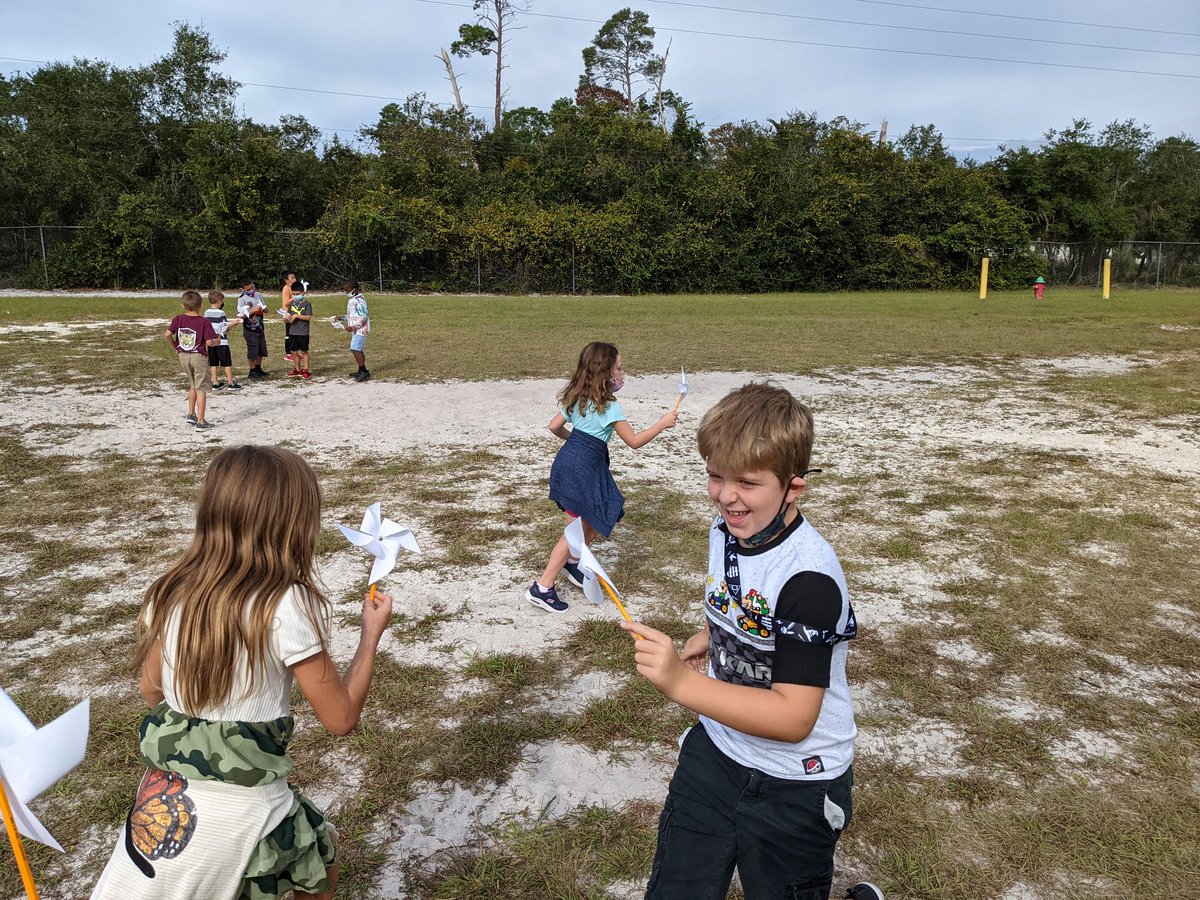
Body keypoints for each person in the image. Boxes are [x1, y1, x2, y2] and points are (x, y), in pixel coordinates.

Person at [90, 445, 395, 900]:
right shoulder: (288, 603)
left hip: (170, 792)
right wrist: (370, 636)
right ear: (291, 524)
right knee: (318, 870)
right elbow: (341, 718)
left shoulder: (171, 590)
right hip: (251, 807)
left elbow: (151, 691)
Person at [621, 383, 872, 900]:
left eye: (748, 483)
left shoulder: (810, 581)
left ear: (793, 488)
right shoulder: (727, 531)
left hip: (795, 783)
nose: (726, 495)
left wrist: (676, 683)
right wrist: (710, 636)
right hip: (716, 753)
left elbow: (792, 718)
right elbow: (745, 606)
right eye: (716, 475)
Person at [526, 341, 677, 613]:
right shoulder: (610, 407)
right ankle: (543, 587)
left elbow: (553, 426)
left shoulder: (577, 396)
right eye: (619, 367)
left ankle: (572, 564)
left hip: (568, 465)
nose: (623, 372)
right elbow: (634, 441)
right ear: (606, 373)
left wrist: (577, 441)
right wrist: (663, 424)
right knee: (578, 531)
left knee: (596, 518)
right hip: (583, 472)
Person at [164, 290, 220, 432]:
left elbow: (167, 334)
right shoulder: (204, 322)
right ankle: (201, 422)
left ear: (183, 305)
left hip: (183, 355)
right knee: (201, 388)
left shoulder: (178, 319)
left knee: (193, 384)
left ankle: (191, 414)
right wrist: (217, 341)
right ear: (200, 306)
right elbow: (209, 341)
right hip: (198, 356)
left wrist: (175, 346)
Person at [204, 290, 242, 391]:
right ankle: (230, 382)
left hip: (211, 342)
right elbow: (225, 328)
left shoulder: (206, 313)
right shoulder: (221, 313)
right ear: (219, 301)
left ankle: (215, 382)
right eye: (222, 301)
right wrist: (235, 323)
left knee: (213, 362)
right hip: (222, 341)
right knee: (226, 362)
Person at [237, 276, 268, 378]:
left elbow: (264, 307)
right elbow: (242, 315)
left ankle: (259, 368)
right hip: (250, 329)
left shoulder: (258, 295)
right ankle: (252, 370)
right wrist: (253, 310)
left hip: (260, 327)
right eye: (248, 289)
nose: (251, 290)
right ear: (242, 289)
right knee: (252, 349)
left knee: (261, 349)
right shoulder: (242, 299)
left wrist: (264, 309)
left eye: (252, 287)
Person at [339, 280, 370, 382]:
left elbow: (364, 316)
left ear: (354, 290)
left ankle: (364, 372)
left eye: (347, 290)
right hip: (356, 329)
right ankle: (361, 370)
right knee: (356, 349)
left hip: (361, 329)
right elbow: (352, 315)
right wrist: (342, 318)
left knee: (355, 349)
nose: (346, 293)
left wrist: (354, 327)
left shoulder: (359, 301)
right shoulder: (352, 299)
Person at [285, 281, 313, 379]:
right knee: (293, 351)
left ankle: (306, 369)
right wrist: (287, 318)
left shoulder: (307, 304)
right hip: (293, 331)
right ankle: (297, 369)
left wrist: (297, 316)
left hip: (303, 332)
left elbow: (308, 317)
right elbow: (288, 315)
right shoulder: (292, 303)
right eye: (294, 294)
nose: (295, 296)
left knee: (304, 351)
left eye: (298, 294)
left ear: (302, 292)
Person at [282, 272, 297, 362]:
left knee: (295, 334)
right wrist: (296, 297)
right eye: (292, 278)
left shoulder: (293, 288)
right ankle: (288, 353)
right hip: (288, 314)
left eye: (295, 278)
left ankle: (294, 352)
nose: (295, 280)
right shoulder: (286, 288)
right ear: (286, 280)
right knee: (288, 335)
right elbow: (286, 302)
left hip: (294, 314)